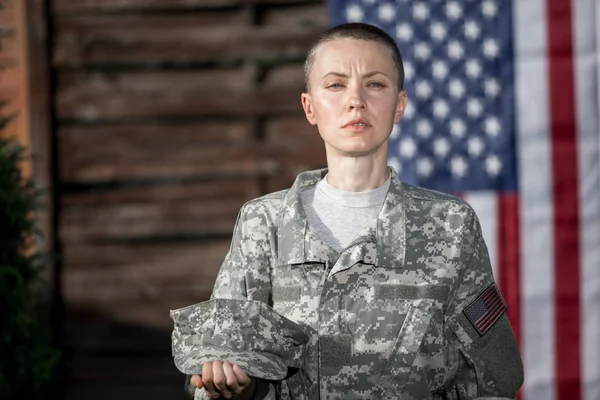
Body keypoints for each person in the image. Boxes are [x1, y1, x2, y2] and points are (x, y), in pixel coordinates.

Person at [186, 22, 524, 399]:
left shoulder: (450, 225)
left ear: (399, 104)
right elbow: (219, 360)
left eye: (375, 83)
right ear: (309, 107)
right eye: (335, 84)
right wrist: (230, 387)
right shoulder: (263, 223)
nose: (356, 100)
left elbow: (494, 376)